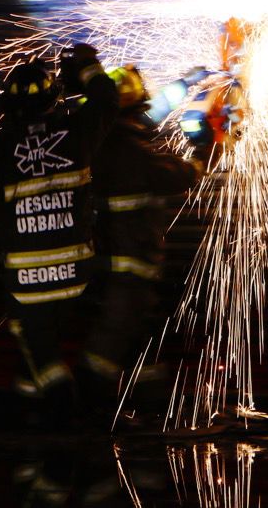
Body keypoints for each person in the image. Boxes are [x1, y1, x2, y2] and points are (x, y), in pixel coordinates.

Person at [0, 44, 118, 422]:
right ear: (54, 98)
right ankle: (45, 412)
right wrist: (86, 65)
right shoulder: (77, 133)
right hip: (78, 277)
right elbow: (107, 98)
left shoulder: (0, 150)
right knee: (55, 345)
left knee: (40, 353)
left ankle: (68, 423)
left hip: (27, 282)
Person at [78, 65, 203, 416]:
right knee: (114, 334)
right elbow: (173, 176)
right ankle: (86, 406)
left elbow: (154, 111)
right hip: (127, 262)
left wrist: (187, 82)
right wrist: (203, 155)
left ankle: (151, 406)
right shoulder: (130, 149)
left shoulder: (106, 132)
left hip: (118, 259)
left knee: (142, 335)